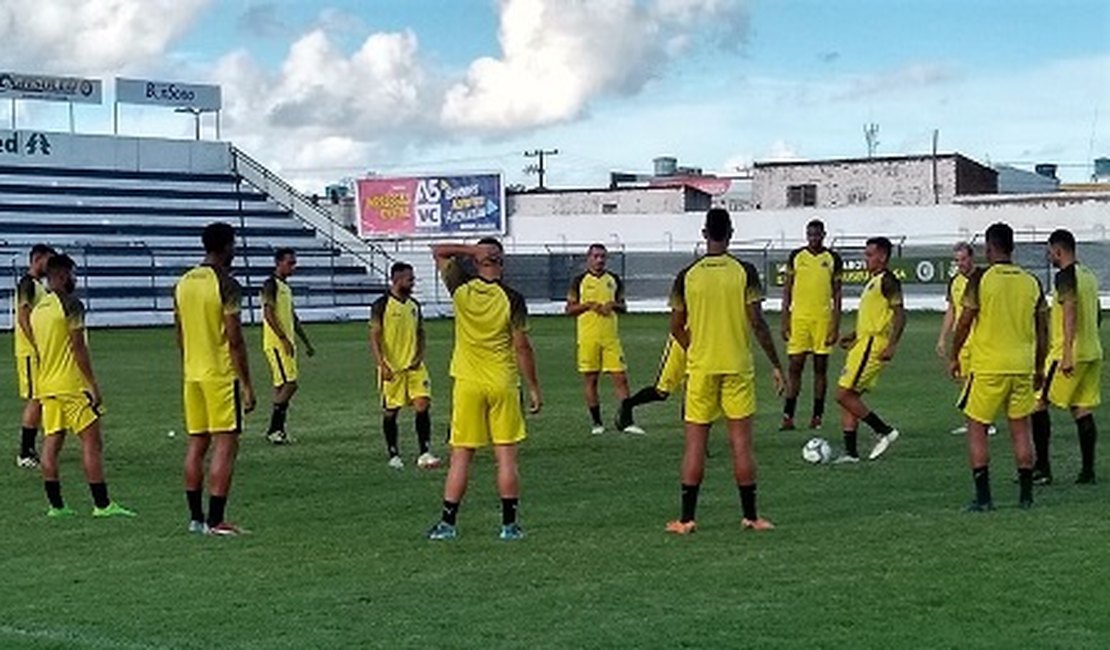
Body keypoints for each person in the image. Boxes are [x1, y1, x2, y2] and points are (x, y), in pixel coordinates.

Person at [665, 208, 784, 535]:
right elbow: (757, 323)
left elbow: (676, 326)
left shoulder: (687, 275)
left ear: (705, 234)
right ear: (730, 233)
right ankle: (751, 516)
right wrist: (775, 364)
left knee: (694, 445)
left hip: (701, 370)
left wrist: (697, 349)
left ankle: (686, 520)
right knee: (742, 445)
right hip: (737, 367)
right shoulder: (744, 272)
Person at [425, 238, 542, 541]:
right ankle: (509, 526)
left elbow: (437, 250)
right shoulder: (512, 298)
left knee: (461, 456)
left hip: (467, 382)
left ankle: (448, 524)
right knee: (506, 458)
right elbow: (522, 348)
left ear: (478, 261)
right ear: (502, 263)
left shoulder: (460, 288)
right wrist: (533, 388)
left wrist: (468, 250)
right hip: (502, 381)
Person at [949, 222, 1047, 511]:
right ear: (1012, 247)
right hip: (1022, 365)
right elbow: (1042, 330)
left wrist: (954, 355)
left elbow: (965, 321)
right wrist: (1039, 367)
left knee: (977, 426)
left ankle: (984, 498)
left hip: (989, 366)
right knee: (1020, 428)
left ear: (989, 248)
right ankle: (1026, 497)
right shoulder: (1031, 282)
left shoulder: (981, 279)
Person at [33, 254, 134, 518]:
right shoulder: (71, 305)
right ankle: (102, 505)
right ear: (63, 275)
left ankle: (56, 506)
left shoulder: (38, 310)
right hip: (71, 383)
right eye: (73, 274)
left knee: (51, 443)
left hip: (46, 384)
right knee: (91, 442)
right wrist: (92, 384)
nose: (75, 279)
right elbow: (78, 348)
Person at [174, 222, 256, 536]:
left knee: (196, 444)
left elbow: (179, 334)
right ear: (225, 246)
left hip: (192, 374)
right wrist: (246, 384)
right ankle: (217, 520)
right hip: (220, 375)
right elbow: (234, 339)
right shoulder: (226, 284)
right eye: (233, 245)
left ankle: (196, 519)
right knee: (225, 444)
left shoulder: (182, 283)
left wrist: (189, 365)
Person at [1030, 229, 1101, 485]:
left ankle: (1042, 469)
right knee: (1082, 408)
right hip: (1093, 352)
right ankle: (1088, 471)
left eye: (1050, 251)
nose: (1049, 255)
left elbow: (1069, 310)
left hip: (1067, 354)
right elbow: (1096, 315)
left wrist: (1069, 352)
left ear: (1058, 251)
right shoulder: (1089, 276)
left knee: (1037, 403)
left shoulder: (1065, 276)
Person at [834, 237, 904, 462]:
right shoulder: (873, 281)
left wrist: (892, 345)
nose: (866, 259)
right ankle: (851, 453)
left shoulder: (887, 280)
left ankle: (884, 430)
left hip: (873, 345)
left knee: (843, 394)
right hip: (863, 343)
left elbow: (901, 315)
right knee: (849, 397)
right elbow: (875, 316)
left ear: (882, 256)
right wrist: (854, 335)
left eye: (870, 255)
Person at [369, 262, 440, 470]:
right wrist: (382, 364)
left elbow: (421, 332)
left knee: (423, 405)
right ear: (397, 279)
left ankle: (424, 452)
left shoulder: (414, 305)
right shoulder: (381, 305)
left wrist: (419, 355)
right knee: (391, 412)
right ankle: (393, 454)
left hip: (415, 368)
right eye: (410, 279)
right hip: (392, 369)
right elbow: (374, 336)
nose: (413, 282)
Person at [566, 244, 638, 434]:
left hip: (611, 338)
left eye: (603, 257)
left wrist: (612, 305)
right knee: (591, 380)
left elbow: (624, 307)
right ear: (588, 258)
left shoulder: (613, 280)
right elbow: (569, 309)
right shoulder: (579, 281)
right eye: (596, 256)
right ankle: (597, 423)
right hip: (588, 338)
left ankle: (627, 421)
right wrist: (588, 305)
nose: (600, 260)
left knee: (621, 378)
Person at [780, 220, 842, 430]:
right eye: (810, 235)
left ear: (824, 234)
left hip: (822, 319)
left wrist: (835, 324)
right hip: (799, 319)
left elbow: (837, 293)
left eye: (817, 235)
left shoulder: (832, 258)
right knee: (794, 366)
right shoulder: (796, 256)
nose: (813, 238)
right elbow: (787, 289)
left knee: (820, 369)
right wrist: (784, 319)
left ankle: (817, 416)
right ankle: (788, 415)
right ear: (806, 235)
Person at [935, 242, 996, 437]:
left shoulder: (983, 279)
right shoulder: (954, 282)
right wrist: (943, 338)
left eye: (963, 259)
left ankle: (986, 422)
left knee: (977, 382)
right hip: (961, 342)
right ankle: (971, 421)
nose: (960, 264)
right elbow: (951, 311)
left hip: (980, 340)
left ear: (972, 258)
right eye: (957, 260)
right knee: (962, 380)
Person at [260, 247, 315, 445]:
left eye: (294, 262)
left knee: (281, 386)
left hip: (286, 344)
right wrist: (283, 338)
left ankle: (278, 432)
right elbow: (268, 314)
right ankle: (274, 430)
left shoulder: (285, 287)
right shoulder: (270, 285)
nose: (293, 266)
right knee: (291, 384)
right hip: (276, 344)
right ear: (278, 263)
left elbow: (292, 317)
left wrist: (306, 342)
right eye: (290, 262)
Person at [14, 243, 55, 468]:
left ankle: (42, 445)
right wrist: (38, 345)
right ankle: (25, 451)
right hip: (31, 352)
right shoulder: (27, 284)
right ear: (37, 259)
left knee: (44, 397)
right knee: (36, 398)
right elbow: (23, 318)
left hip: (39, 351)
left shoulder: (38, 286)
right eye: (48, 261)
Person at [617, 334, 686, 429]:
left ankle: (689, 419)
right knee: (661, 392)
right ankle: (627, 404)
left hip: (702, 345)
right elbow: (676, 325)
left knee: (694, 384)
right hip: (680, 344)